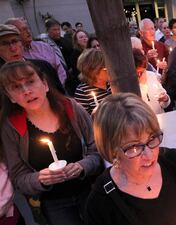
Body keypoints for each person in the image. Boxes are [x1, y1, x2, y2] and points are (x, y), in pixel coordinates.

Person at [0, 61, 103, 225]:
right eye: (16, 87)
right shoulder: (11, 127)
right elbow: (18, 176)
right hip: (54, 202)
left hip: (90, 190)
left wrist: (83, 166)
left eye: (30, 81)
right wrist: (39, 179)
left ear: (45, 84)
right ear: (10, 96)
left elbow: (98, 149)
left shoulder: (71, 108)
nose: (26, 91)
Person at [86, 93, 176, 225]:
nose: (150, 155)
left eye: (151, 138)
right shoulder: (101, 201)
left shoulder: (172, 161)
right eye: (133, 147)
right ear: (113, 151)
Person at [0, 24, 65, 94]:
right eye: (5, 44)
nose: (12, 48)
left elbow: (60, 94)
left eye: (15, 41)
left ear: (21, 43)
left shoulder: (43, 66)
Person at [132, 48, 171, 114]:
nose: (139, 75)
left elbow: (164, 103)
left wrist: (165, 99)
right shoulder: (130, 85)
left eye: (142, 71)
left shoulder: (152, 76)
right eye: (136, 72)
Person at [74, 48, 111, 115]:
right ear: (93, 71)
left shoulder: (112, 83)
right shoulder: (83, 91)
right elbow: (83, 121)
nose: (109, 69)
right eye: (105, 68)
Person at [67, 29, 89, 95]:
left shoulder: (92, 49)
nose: (84, 38)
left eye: (85, 36)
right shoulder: (75, 55)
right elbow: (77, 73)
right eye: (81, 37)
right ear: (76, 41)